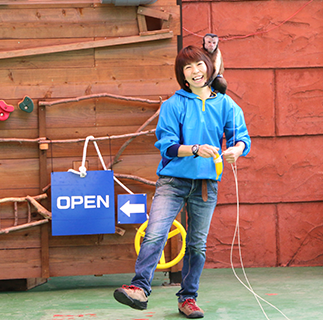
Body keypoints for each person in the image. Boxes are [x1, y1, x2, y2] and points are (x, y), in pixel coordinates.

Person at [113, 45, 251, 319]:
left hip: (205, 185)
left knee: (197, 245)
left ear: (208, 68)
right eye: (188, 68)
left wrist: (236, 150)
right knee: (155, 233)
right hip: (173, 181)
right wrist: (196, 148)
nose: (195, 71)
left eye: (198, 65)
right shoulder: (173, 105)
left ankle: (188, 298)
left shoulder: (226, 104)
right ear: (183, 77)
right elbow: (167, 146)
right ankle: (139, 289)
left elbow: (241, 138)